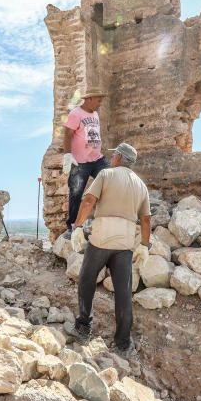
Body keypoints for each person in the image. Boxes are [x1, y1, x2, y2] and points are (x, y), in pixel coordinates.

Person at [69, 142, 151, 358]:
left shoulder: (106, 175)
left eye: (114, 154)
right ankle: (123, 343)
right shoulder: (141, 185)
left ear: (118, 158)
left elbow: (88, 200)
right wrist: (144, 244)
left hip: (101, 239)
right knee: (123, 293)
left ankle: (83, 327)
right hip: (124, 244)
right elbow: (145, 219)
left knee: (87, 280)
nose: (111, 157)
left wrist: (77, 226)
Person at [62, 87, 109, 237]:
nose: (100, 103)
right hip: (80, 162)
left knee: (111, 180)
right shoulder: (76, 113)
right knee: (76, 193)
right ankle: (72, 226)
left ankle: (109, 218)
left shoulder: (95, 114)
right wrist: (68, 155)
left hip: (97, 159)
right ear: (88, 99)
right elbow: (67, 134)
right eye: (98, 100)